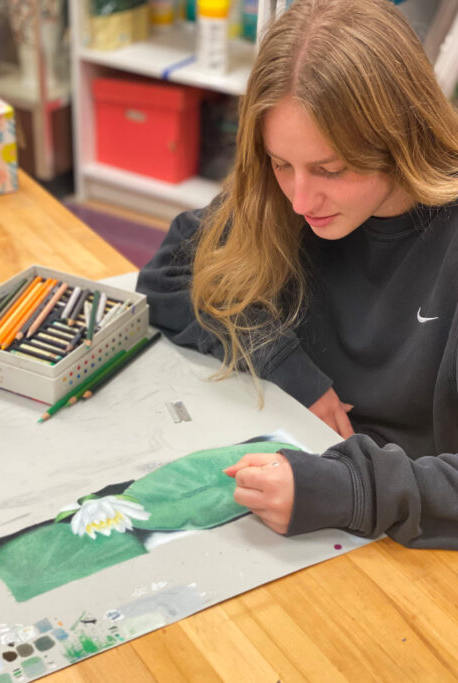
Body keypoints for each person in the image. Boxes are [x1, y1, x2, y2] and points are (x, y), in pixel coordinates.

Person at [136, 0, 458, 549]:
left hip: (410, 539)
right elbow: (171, 274)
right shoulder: (280, 195)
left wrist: (350, 489)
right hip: (296, 471)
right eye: (281, 164)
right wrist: (285, 365)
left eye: (331, 170)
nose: (301, 198)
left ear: (401, 138)